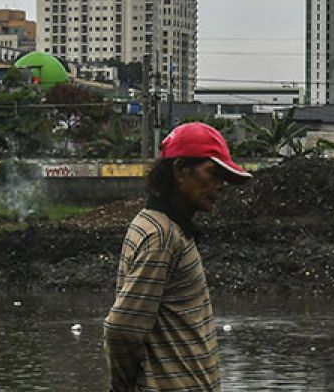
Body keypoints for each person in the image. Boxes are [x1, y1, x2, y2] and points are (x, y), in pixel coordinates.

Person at [104, 122, 251, 391]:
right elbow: (123, 329)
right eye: (214, 174)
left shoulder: (161, 227)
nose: (221, 186)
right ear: (181, 170)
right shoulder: (162, 236)